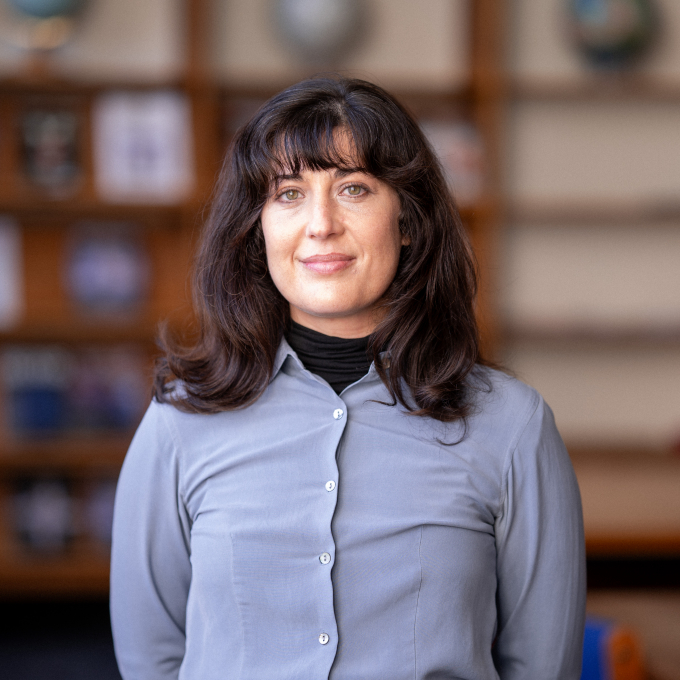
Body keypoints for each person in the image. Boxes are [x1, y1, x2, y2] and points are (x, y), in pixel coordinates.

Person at [110, 76, 586, 680]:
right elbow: (151, 659)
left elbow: (543, 667)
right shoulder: (180, 420)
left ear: (408, 220)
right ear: (257, 227)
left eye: (354, 188)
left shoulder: (512, 426)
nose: (321, 224)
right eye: (288, 193)